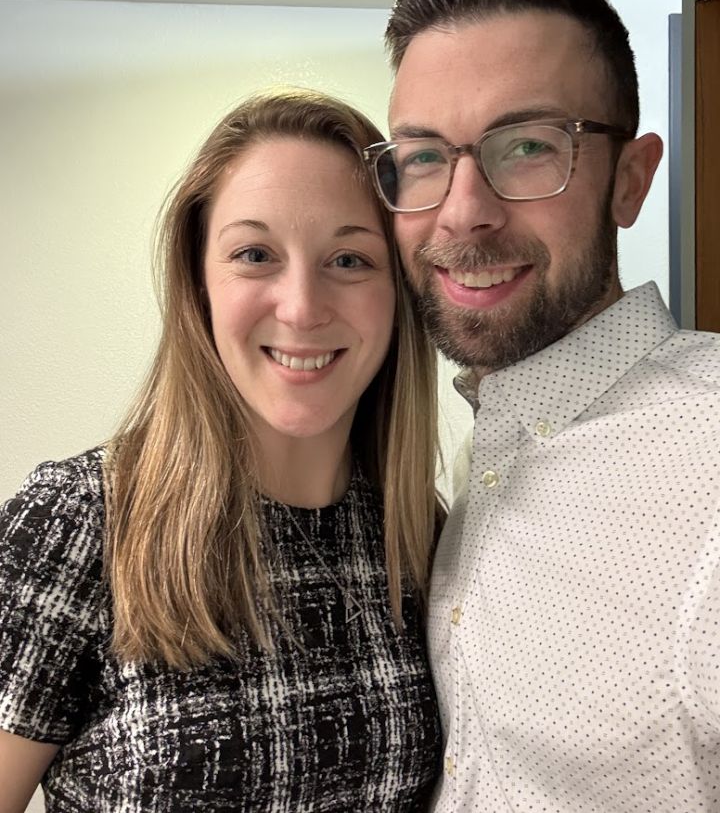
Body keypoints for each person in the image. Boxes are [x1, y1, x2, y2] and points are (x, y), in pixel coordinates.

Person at [0, 89, 443, 812]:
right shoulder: (78, 519)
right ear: (198, 284)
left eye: (349, 258)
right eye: (254, 254)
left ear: (398, 290)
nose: (302, 307)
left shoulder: (419, 533)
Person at [363, 0, 720, 810]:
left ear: (630, 180)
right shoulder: (477, 458)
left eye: (527, 145)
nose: (463, 213)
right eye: (424, 157)